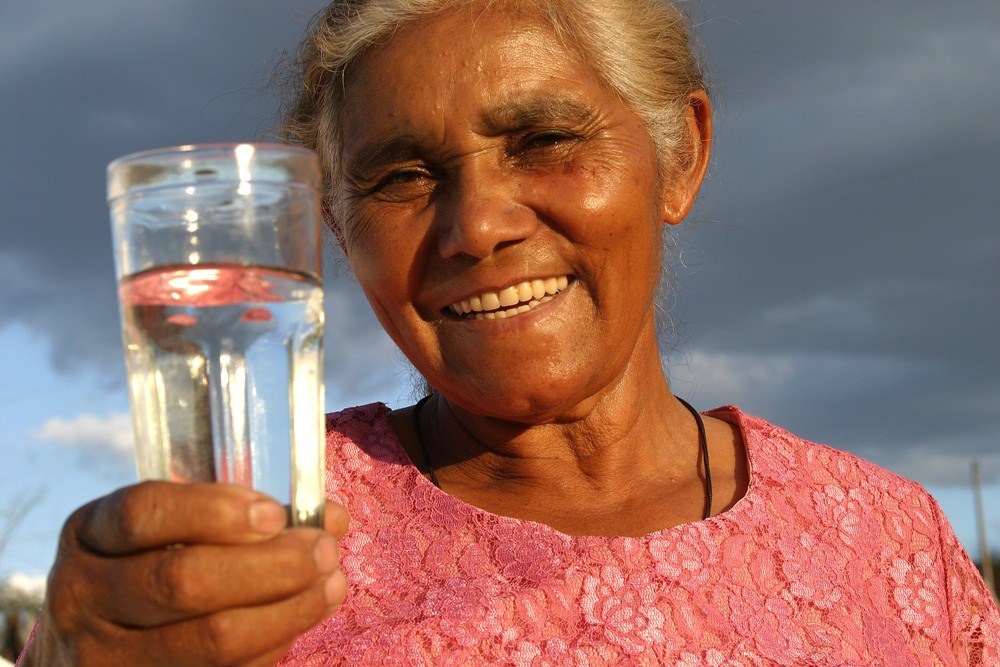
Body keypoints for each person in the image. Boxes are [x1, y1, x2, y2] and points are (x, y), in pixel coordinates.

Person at [18, 0, 1000, 664]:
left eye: (543, 140)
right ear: (335, 231)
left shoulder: (891, 542)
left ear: (679, 155)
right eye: (401, 176)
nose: (477, 225)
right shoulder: (251, 551)